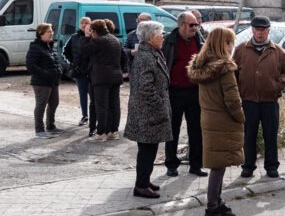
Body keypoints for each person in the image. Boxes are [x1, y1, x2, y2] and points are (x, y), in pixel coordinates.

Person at [186, 27, 244, 216]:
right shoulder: (225, 68)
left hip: (209, 118)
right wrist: (241, 117)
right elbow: (232, 100)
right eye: (230, 43)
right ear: (224, 44)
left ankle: (217, 201)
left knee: (217, 163)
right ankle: (212, 206)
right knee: (219, 166)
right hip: (223, 120)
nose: (232, 47)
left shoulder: (202, 65)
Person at [234, 16, 285, 178]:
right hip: (248, 101)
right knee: (249, 135)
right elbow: (233, 73)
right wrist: (238, 90)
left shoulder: (278, 51)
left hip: (270, 101)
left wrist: (280, 83)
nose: (260, 33)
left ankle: (272, 167)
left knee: (271, 135)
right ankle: (248, 166)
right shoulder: (241, 50)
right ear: (252, 30)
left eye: (263, 30)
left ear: (268, 30)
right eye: (257, 29)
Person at [124, 20, 172, 198]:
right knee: (146, 150)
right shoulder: (145, 56)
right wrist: (159, 104)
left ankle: (144, 180)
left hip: (150, 111)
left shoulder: (151, 52)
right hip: (147, 112)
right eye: (160, 34)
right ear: (151, 37)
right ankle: (141, 186)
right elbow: (146, 87)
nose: (163, 37)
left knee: (150, 149)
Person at [161, 11, 206, 177]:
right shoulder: (169, 41)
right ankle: (171, 164)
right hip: (174, 92)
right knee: (172, 129)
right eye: (192, 25)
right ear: (181, 25)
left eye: (197, 24)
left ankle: (196, 164)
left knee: (196, 130)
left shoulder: (199, 40)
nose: (195, 28)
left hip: (194, 91)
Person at [82, 19, 128, 140]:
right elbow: (124, 57)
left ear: (95, 31)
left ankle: (101, 133)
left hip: (101, 78)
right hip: (115, 76)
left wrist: (86, 37)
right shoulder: (115, 39)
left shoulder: (98, 41)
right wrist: (119, 69)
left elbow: (84, 50)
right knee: (114, 104)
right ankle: (113, 131)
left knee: (101, 105)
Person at [26, 22, 62, 139]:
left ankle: (50, 126)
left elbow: (56, 61)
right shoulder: (35, 47)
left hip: (53, 81)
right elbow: (31, 65)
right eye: (48, 31)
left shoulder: (50, 46)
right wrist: (45, 74)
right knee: (41, 105)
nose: (51, 33)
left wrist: (59, 69)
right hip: (41, 82)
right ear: (40, 33)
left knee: (54, 103)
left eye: (52, 31)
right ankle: (39, 130)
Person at [63, 16, 92, 126]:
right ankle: (85, 116)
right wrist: (73, 63)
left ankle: (96, 117)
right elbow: (65, 51)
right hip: (79, 72)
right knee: (82, 94)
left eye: (87, 23)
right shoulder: (74, 37)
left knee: (94, 95)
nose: (84, 25)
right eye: (82, 23)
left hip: (92, 71)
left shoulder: (93, 36)